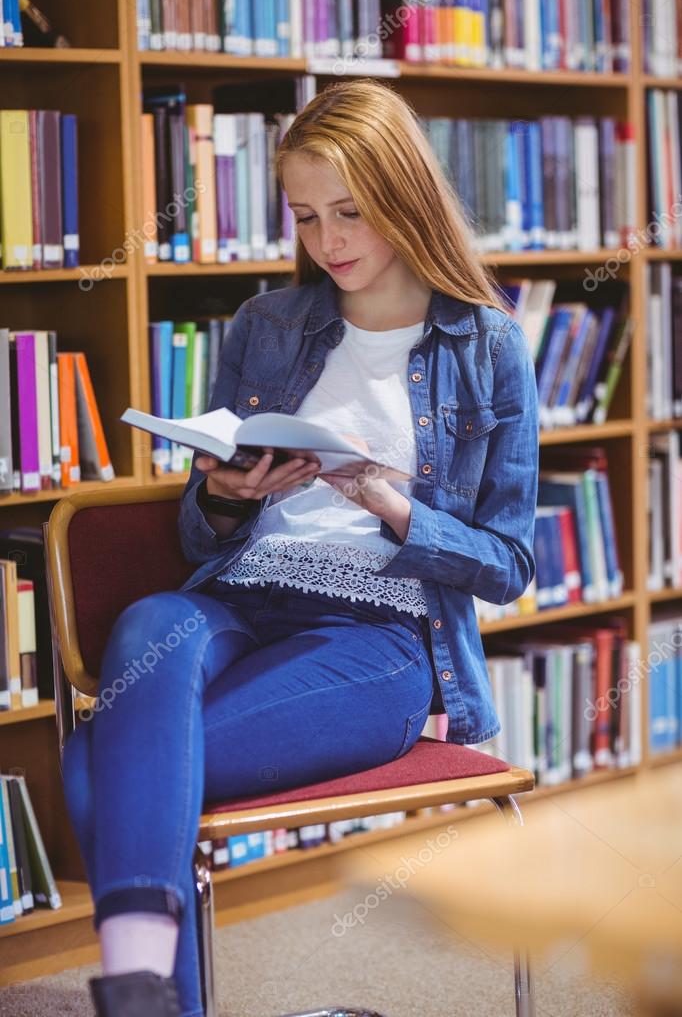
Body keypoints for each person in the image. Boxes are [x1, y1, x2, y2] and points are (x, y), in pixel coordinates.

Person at [61, 78, 539, 1017]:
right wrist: (229, 495)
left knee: (93, 764)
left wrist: (394, 507)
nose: (329, 242)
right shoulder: (266, 326)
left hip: (378, 639)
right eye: (308, 215)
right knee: (155, 615)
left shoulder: (487, 345)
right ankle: (150, 997)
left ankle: (144, 994)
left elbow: (509, 567)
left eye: (352, 212)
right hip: (241, 598)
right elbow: (199, 535)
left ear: (406, 192)